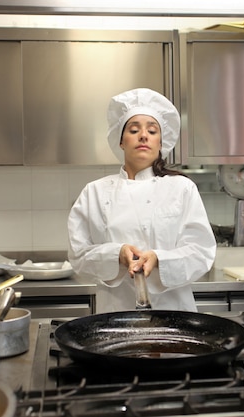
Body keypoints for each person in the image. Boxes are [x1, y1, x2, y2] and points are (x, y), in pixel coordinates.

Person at [67, 88, 216, 313]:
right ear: (121, 142)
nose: (143, 136)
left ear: (160, 143)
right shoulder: (94, 192)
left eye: (152, 131)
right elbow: (78, 255)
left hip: (173, 313)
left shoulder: (182, 188)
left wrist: (159, 258)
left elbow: (201, 251)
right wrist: (116, 254)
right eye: (134, 129)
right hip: (116, 315)